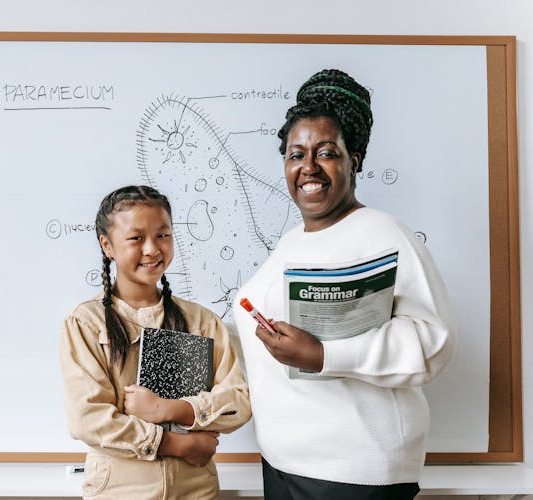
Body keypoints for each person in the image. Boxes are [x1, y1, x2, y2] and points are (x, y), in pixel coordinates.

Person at [232, 69, 457, 499]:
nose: (308, 168)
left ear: (355, 160)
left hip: (353, 474)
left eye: (326, 152)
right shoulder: (289, 243)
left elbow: (435, 342)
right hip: (283, 464)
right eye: (296, 154)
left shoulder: (383, 234)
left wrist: (323, 354)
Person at [59, 185, 252, 499]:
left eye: (163, 235)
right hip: (119, 490)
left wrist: (172, 409)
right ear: (107, 245)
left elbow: (238, 402)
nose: (152, 249)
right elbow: (89, 419)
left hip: (196, 488)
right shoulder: (85, 322)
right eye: (136, 238)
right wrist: (179, 444)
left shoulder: (202, 321)